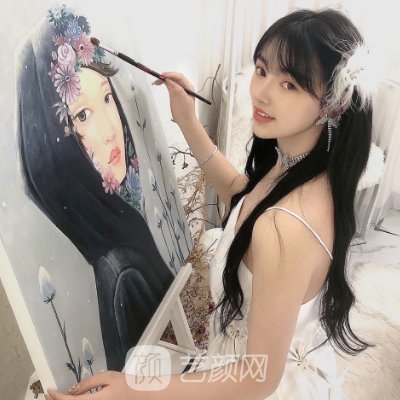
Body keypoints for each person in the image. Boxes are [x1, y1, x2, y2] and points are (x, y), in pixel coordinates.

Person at [46, 7, 376, 400]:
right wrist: (188, 121)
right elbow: (245, 197)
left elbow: (257, 378)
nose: (262, 92)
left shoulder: (285, 227)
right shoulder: (305, 167)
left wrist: (135, 389)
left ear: (332, 104)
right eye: (262, 69)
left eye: (290, 84)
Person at [18, 7, 175, 372]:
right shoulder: (120, 274)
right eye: (82, 115)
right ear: (55, 143)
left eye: (106, 98)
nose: (110, 129)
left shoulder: (121, 229)